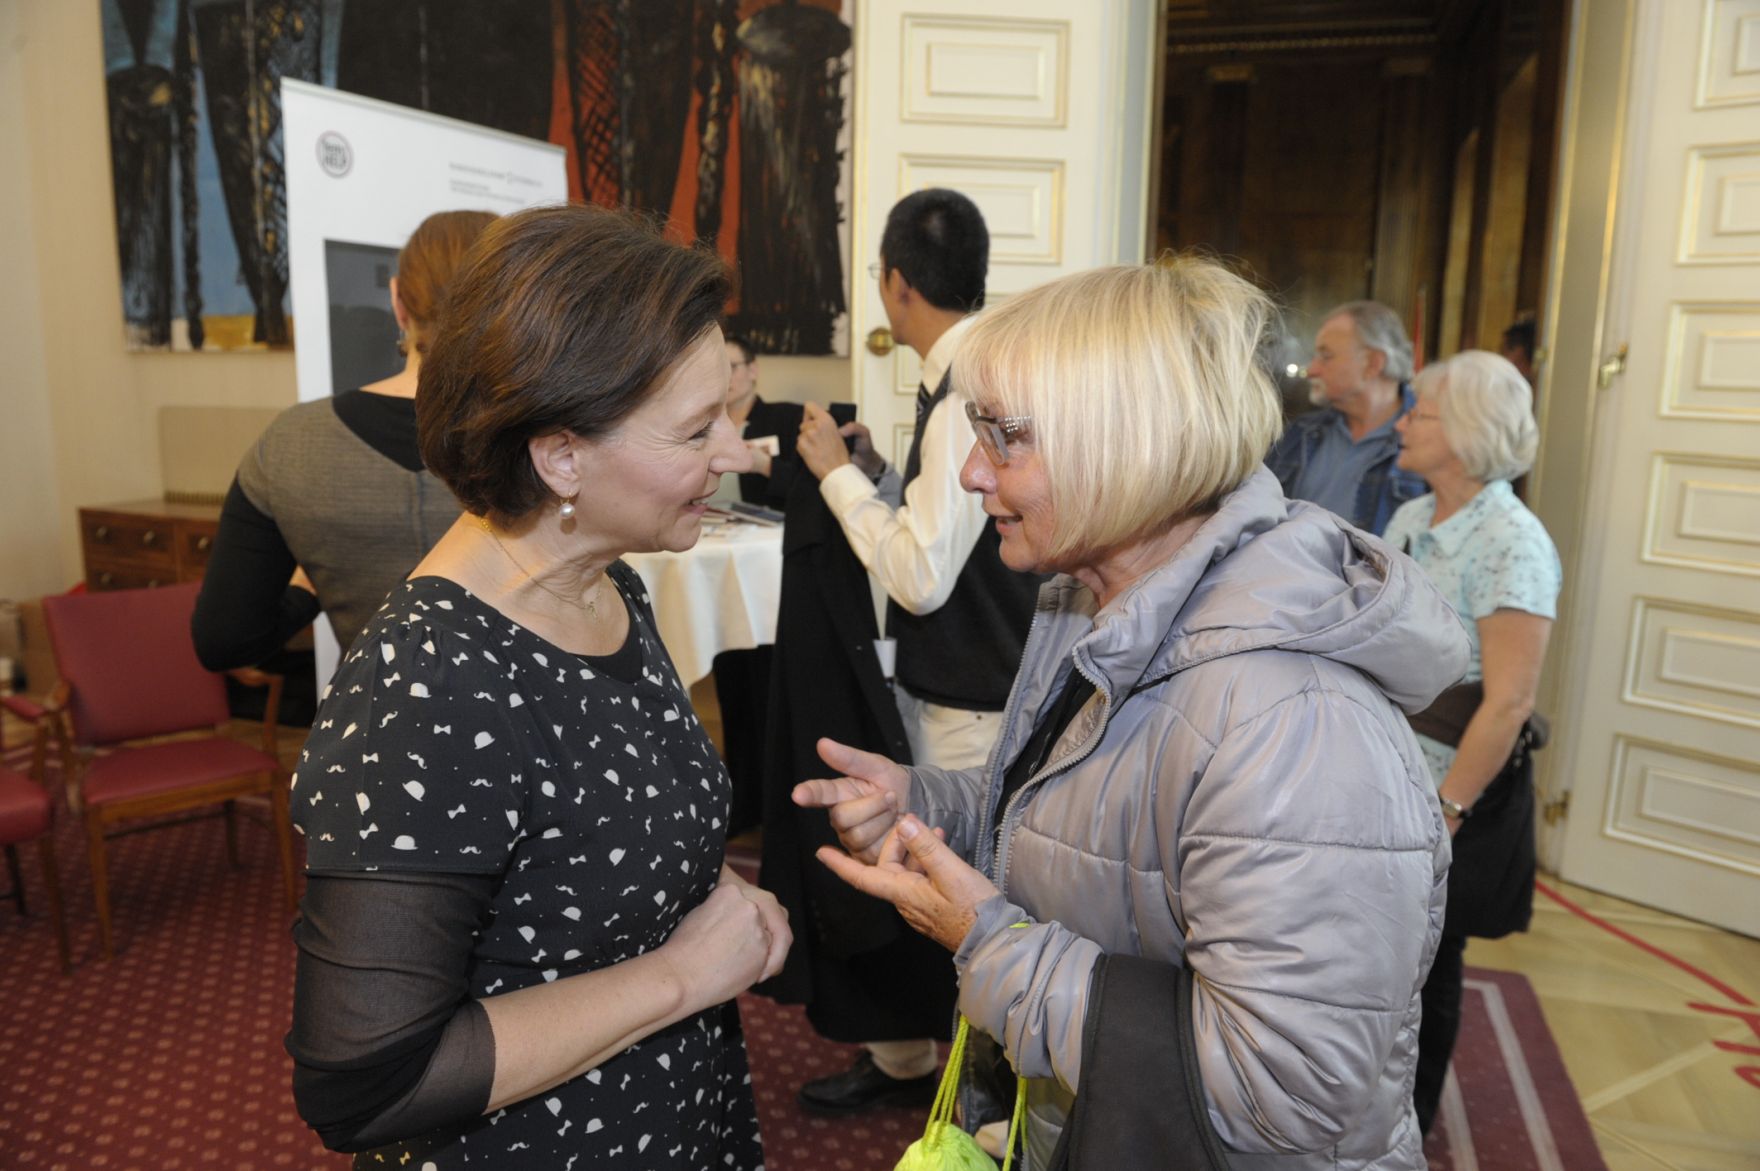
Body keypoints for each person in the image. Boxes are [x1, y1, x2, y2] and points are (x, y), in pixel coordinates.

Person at [795, 258, 1470, 1169]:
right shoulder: (1095, 600)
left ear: (1127, 442)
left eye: (1003, 436)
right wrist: (932, 803)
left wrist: (988, 945)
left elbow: (1289, 1096)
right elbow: (1107, 831)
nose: (967, 470)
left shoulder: (1296, 723)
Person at [285, 204, 790, 1169]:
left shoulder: (612, 589)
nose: (731, 451)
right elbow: (366, 1077)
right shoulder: (426, 685)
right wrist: (684, 974)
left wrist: (713, 892)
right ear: (560, 455)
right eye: (696, 429)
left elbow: (583, 847)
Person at [790, 188, 1041, 1114]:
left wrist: (837, 478)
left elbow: (922, 579)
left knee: (968, 901)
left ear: (896, 283)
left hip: (972, 703)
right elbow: (957, 522)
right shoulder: (989, 369)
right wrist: (887, 477)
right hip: (992, 680)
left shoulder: (959, 393)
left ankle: (982, 1102)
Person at [191, 210, 495, 670]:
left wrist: (304, 592)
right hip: (531, 731)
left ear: (398, 301)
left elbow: (225, 639)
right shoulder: (554, 437)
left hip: (372, 730)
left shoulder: (292, 443)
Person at [1383, 350, 1561, 1135]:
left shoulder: (1513, 542)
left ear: (1461, 431)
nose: (1401, 422)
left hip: (1448, 784)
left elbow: (1510, 698)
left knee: (1430, 957)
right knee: (1380, 950)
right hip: (1388, 763)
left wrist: (1448, 809)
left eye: (1416, 411)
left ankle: (1410, 1120)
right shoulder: (1412, 519)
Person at [1265, 300, 1428, 535]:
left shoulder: (1429, 438)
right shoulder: (1301, 432)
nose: (1312, 370)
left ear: (1373, 363)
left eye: (1326, 356)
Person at [723, 332, 807, 509]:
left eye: (731, 366)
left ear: (752, 370)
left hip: (765, 531)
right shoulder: (701, 426)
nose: (723, 376)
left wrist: (766, 466)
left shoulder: (788, 418)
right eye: (714, 369)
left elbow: (812, 488)